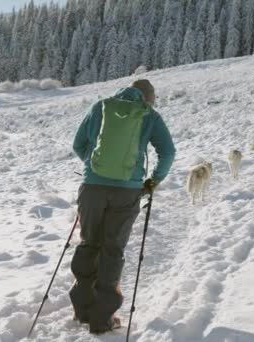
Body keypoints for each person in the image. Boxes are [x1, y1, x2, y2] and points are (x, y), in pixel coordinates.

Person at [70, 79, 176, 334]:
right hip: (127, 192)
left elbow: (78, 144)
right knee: (112, 249)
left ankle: (82, 309)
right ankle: (102, 318)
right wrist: (152, 181)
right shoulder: (149, 115)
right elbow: (168, 152)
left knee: (88, 244)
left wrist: (94, 168)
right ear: (148, 99)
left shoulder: (101, 107)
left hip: (92, 189)